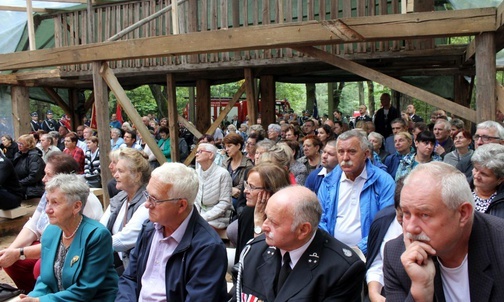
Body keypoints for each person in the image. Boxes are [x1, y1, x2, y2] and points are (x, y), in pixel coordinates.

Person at [383, 162, 504, 302]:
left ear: (463, 214)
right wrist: (421, 292)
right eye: (406, 213)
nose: (410, 228)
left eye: (424, 215)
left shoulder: (499, 245)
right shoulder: (397, 256)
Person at [116, 163, 228, 301]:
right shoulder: (149, 229)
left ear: (181, 205)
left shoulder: (208, 247)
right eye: (147, 195)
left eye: (155, 199)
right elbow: (129, 278)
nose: (147, 204)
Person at [234, 185, 366, 301]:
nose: (264, 227)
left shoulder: (340, 270)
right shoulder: (254, 251)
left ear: (303, 230)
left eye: (273, 222)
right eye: (266, 217)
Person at [0, 153, 103, 293]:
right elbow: (33, 225)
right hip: (47, 243)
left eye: (48, 174)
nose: (43, 179)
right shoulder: (49, 193)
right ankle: (31, 293)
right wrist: (10, 251)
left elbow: (65, 243)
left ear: (64, 178)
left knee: (40, 267)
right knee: (12, 262)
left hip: (69, 250)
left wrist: (19, 253)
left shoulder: (83, 201)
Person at [19, 174, 117, 301]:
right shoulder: (50, 232)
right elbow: (45, 280)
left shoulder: (97, 235)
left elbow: (85, 290)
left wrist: (40, 301)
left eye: (55, 203)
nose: (48, 209)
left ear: (76, 206)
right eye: (47, 201)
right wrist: (32, 297)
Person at [317, 130, 395, 255]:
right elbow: (319, 218)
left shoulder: (383, 181)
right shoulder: (329, 181)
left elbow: (386, 224)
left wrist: (357, 251)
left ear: (366, 154)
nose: (345, 157)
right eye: (341, 152)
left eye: (352, 151)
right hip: (331, 253)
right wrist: (332, 248)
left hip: (370, 254)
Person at [100, 148, 150, 271]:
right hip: (120, 261)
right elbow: (101, 227)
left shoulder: (147, 202)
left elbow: (124, 239)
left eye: (120, 171)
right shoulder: (121, 196)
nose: (115, 175)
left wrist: (90, 245)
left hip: (137, 269)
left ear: (137, 176)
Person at [232, 163, 291, 264]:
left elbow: (267, 258)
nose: (245, 191)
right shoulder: (248, 213)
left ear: (271, 190)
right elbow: (244, 256)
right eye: (246, 185)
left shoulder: (285, 217)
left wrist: (259, 222)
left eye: (252, 187)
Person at [366, 178, 404, 302]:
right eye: (403, 215)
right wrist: (374, 293)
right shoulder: (383, 221)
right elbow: (377, 262)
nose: (409, 223)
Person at [194, 143, 233, 229]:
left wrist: (203, 217)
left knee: (200, 229)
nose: (196, 154)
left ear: (210, 155)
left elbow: (225, 203)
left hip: (219, 217)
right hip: (199, 215)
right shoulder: (196, 173)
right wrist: (196, 215)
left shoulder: (223, 174)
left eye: (200, 151)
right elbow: (195, 200)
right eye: (196, 152)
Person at [470, 143, 504, 218]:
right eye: (476, 169)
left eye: (484, 174)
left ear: (500, 179)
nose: (476, 176)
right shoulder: (461, 188)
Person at [223, 133, 254, 209]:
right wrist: (231, 190)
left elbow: (241, 188)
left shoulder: (248, 165)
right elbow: (219, 182)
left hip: (239, 200)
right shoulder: (225, 162)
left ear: (238, 146)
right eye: (225, 147)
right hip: (224, 196)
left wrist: (225, 189)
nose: (226, 149)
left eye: (229, 146)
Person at [12, 134, 45, 199]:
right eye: (18, 143)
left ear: (28, 145)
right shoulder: (18, 155)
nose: (19, 145)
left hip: (31, 190)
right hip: (20, 187)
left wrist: (18, 183)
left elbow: (34, 176)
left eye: (22, 144)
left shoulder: (34, 157)